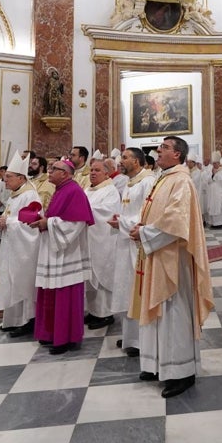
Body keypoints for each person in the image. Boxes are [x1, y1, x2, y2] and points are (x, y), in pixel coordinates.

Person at [129, 135, 212, 397]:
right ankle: (156, 363)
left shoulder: (181, 181)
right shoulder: (163, 178)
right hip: (156, 254)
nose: (158, 150)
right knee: (155, 308)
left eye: (163, 147)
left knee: (173, 312)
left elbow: (176, 220)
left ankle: (181, 371)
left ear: (177, 154)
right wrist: (140, 228)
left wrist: (145, 233)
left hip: (173, 259)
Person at [32, 158, 94, 354]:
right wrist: (43, 221)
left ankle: (66, 338)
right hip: (55, 252)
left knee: (64, 295)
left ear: (65, 174)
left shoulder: (74, 191)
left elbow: (76, 224)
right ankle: (50, 333)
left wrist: (47, 224)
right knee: (50, 292)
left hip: (67, 255)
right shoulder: (61, 189)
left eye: (54, 169)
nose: (49, 171)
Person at [109, 147, 156, 356]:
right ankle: (130, 337)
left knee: (138, 290)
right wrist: (119, 221)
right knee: (127, 288)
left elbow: (147, 214)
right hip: (125, 242)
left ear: (136, 161)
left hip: (139, 243)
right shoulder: (130, 182)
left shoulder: (148, 181)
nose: (121, 161)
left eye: (125, 158)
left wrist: (122, 223)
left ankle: (141, 339)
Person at [0, 151, 42, 336]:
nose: (5, 180)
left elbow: (31, 222)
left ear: (21, 177)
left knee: (23, 282)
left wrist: (8, 222)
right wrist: (4, 221)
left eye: (9, 177)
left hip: (25, 250)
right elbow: (12, 217)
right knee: (10, 280)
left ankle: (28, 320)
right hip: (12, 247)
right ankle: (13, 319)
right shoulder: (15, 194)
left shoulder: (29, 195)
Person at [84, 157, 122, 329]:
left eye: (97, 170)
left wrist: (83, 210)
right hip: (89, 239)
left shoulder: (110, 191)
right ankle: (93, 311)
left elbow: (107, 212)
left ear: (106, 173)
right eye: (91, 170)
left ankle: (105, 313)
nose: (93, 173)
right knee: (90, 276)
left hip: (103, 239)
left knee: (102, 275)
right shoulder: (88, 189)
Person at [206, 156, 222, 228]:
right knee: (212, 206)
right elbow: (207, 180)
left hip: (219, 193)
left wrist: (216, 176)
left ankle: (219, 223)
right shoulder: (211, 170)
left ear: (219, 163)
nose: (214, 165)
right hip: (212, 194)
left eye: (215, 163)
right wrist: (213, 174)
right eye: (213, 163)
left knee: (219, 207)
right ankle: (213, 223)